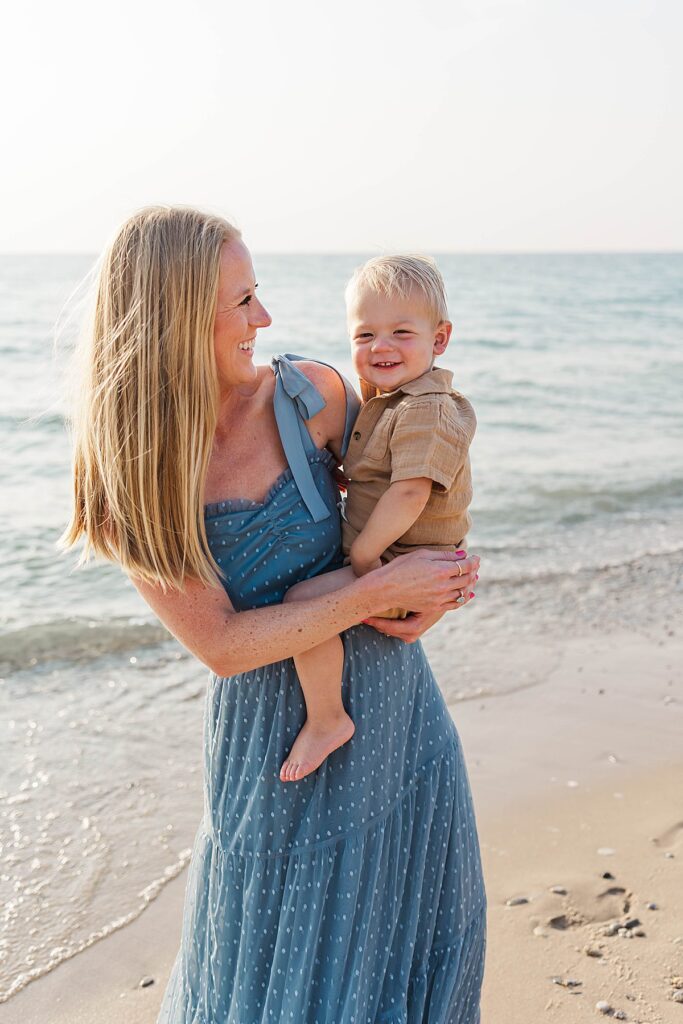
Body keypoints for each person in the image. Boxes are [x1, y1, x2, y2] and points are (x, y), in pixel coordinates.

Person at [60, 206, 486, 1023]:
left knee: (407, 947)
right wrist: (369, 593)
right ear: (178, 316)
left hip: (396, 712)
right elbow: (221, 645)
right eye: (242, 300)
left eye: (257, 294)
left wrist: (447, 578)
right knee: (271, 974)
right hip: (271, 749)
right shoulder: (129, 476)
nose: (265, 317)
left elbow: (414, 490)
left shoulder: (312, 397)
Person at [280, 254, 476, 783]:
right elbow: (386, 471)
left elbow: (411, 491)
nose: (381, 347)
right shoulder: (392, 401)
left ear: (440, 339)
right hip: (408, 559)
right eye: (365, 335)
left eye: (401, 333)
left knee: (300, 606)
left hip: (404, 565)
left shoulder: (427, 407)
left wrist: (366, 556)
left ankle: (328, 719)